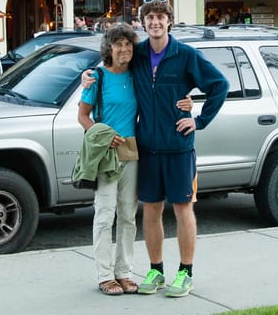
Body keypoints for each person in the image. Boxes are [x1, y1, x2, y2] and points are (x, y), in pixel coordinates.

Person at [86, 0, 228, 298]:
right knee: (149, 211)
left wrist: (199, 120)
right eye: (150, 17)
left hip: (178, 148)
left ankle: (185, 273)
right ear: (144, 22)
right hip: (145, 149)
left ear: (169, 21)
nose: (155, 22)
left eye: (160, 17)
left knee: (182, 209)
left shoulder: (186, 55)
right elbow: (111, 67)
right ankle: (156, 269)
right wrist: (89, 75)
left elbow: (220, 85)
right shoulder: (136, 55)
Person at [78, 24, 194, 297]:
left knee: (128, 216)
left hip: (133, 152)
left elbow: (163, 93)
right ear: (109, 48)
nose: (124, 49)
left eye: (128, 45)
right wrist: (102, 135)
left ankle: (125, 272)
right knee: (105, 215)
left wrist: (188, 100)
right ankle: (105, 276)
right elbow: (83, 116)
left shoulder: (137, 75)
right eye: (118, 45)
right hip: (106, 154)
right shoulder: (97, 77)